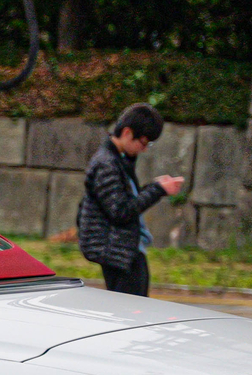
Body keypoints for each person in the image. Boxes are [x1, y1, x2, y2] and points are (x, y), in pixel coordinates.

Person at [78, 102, 185, 297]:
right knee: (132, 313)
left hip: (123, 249)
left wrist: (155, 187)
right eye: (143, 143)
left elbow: (125, 200)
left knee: (133, 309)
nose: (144, 149)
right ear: (127, 133)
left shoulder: (118, 159)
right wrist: (158, 190)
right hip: (117, 252)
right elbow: (120, 211)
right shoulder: (107, 164)